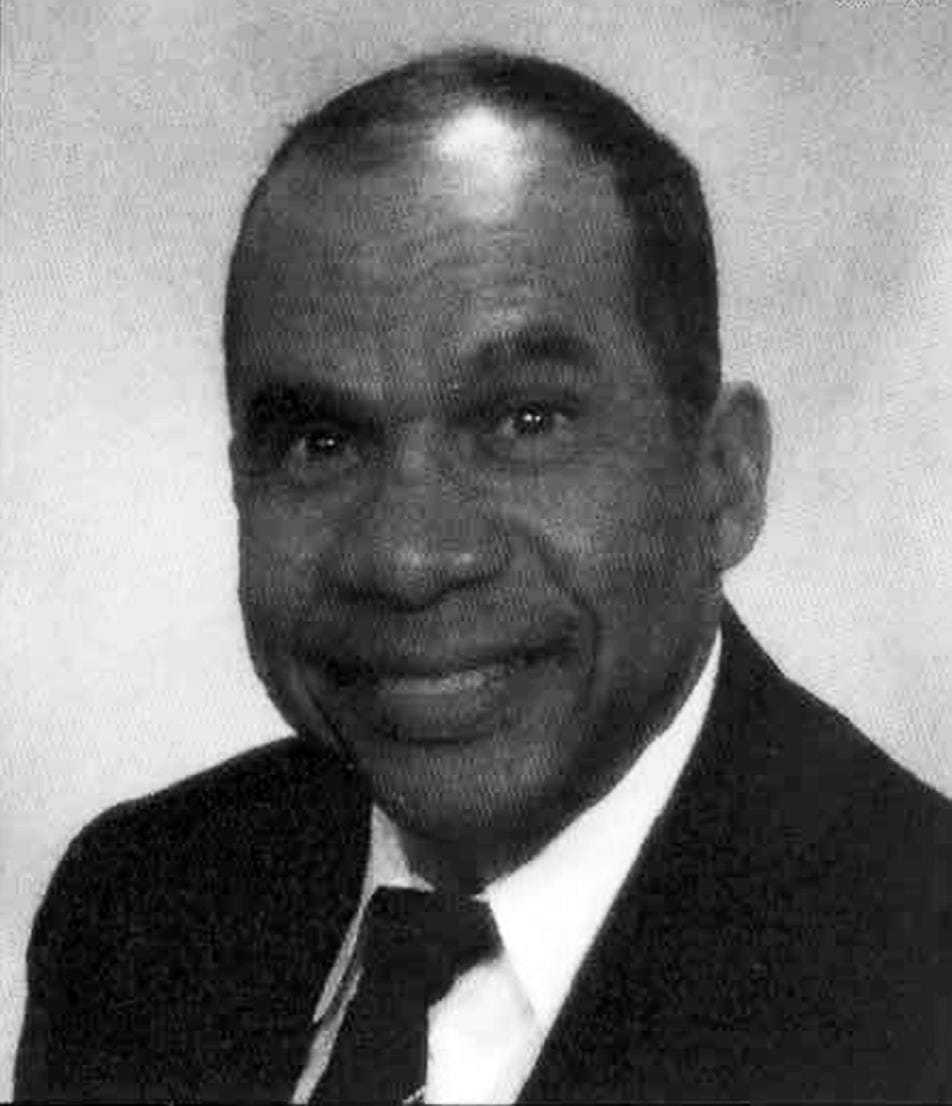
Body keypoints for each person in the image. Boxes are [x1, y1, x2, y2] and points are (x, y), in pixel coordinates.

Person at [15, 46, 952, 1102]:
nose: (409, 557)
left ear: (722, 480)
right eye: (321, 443)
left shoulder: (919, 980)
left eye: (524, 421)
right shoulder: (140, 909)